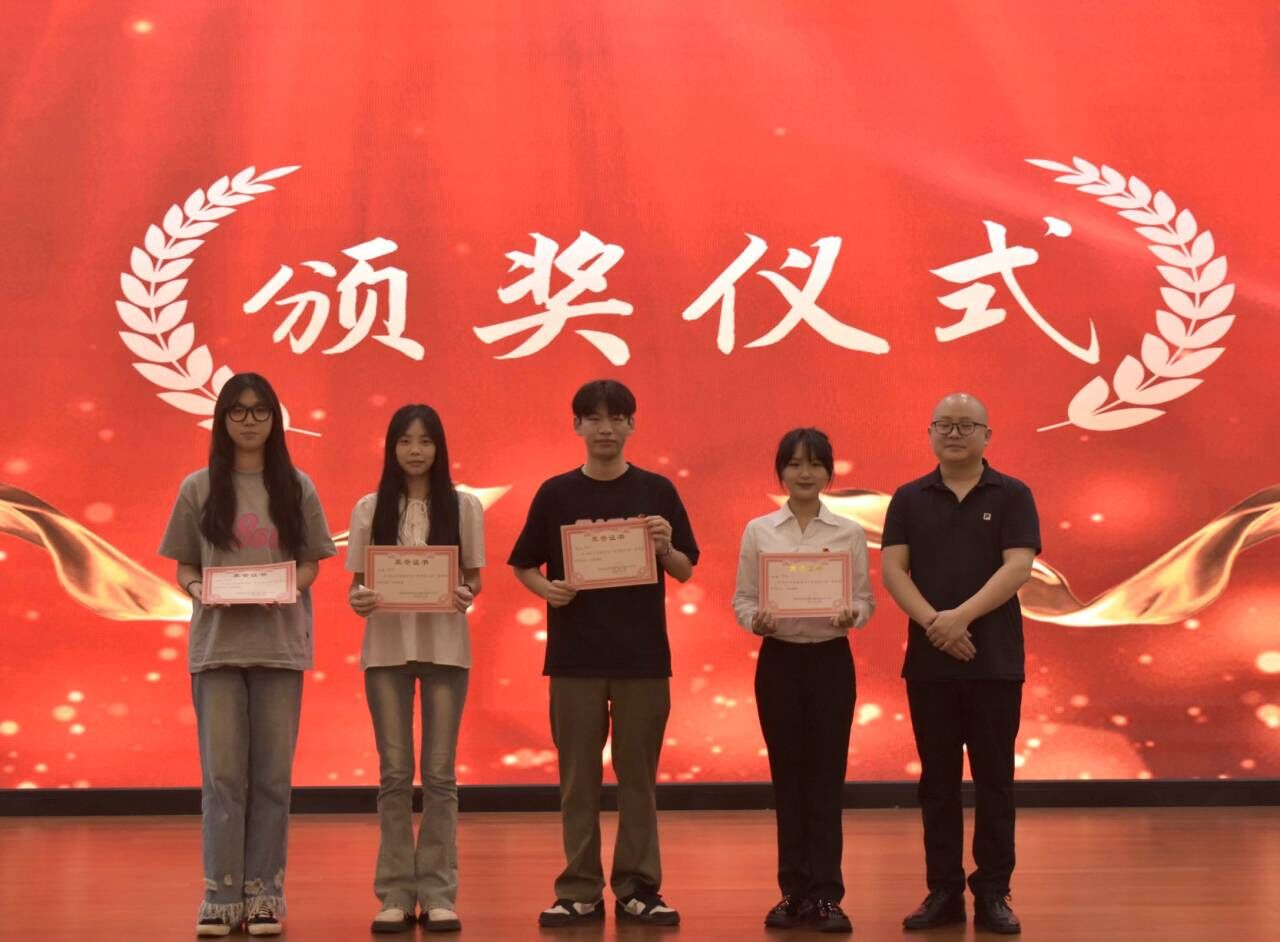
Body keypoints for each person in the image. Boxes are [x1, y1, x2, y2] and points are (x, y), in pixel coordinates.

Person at [508, 379, 699, 928]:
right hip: (575, 659)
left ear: (632, 425)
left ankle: (638, 886)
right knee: (578, 781)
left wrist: (664, 547)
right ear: (576, 426)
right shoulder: (556, 493)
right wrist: (548, 591)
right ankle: (579, 889)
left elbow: (685, 569)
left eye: (617, 418)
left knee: (638, 779)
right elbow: (524, 564)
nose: (606, 428)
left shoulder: (657, 490)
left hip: (643, 658)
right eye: (593, 418)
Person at [158, 373, 336, 937]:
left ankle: (264, 894)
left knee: (272, 780)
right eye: (238, 410)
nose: (250, 421)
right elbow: (185, 565)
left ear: (275, 420)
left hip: (279, 646)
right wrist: (198, 590)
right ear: (223, 420)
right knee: (223, 777)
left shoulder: (297, 486)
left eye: (260, 411)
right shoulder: (198, 487)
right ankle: (220, 893)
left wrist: (283, 589)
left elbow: (311, 563)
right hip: (217, 648)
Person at [880, 393, 1040, 935]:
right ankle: (943, 890)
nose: (954, 433)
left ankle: (993, 891)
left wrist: (959, 619)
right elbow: (894, 571)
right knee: (938, 783)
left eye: (966, 425)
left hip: (994, 662)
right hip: (931, 664)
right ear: (930, 433)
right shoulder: (908, 498)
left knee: (995, 780)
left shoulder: (1013, 494)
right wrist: (935, 625)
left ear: (986, 435)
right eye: (944, 425)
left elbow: (1018, 567)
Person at [346, 404, 484, 934]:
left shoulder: (464, 505)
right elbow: (358, 586)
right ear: (392, 448)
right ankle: (396, 894)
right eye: (405, 441)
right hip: (385, 652)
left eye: (425, 441)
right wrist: (360, 600)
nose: (416, 451)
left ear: (439, 447)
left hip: (447, 648)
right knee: (395, 774)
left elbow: (474, 578)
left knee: (441, 775)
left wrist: (465, 592)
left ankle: (440, 893)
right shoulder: (369, 508)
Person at [732, 428, 874, 934]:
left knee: (827, 779)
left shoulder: (848, 532)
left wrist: (852, 614)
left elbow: (865, 600)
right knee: (788, 778)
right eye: (794, 464)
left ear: (829, 473)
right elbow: (744, 599)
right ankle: (793, 893)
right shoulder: (759, 530)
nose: (805, 473)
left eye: (814, 464)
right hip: (779, 662)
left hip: (831, 661)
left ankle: (828, 896)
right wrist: (756, 621)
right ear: (781, 472)